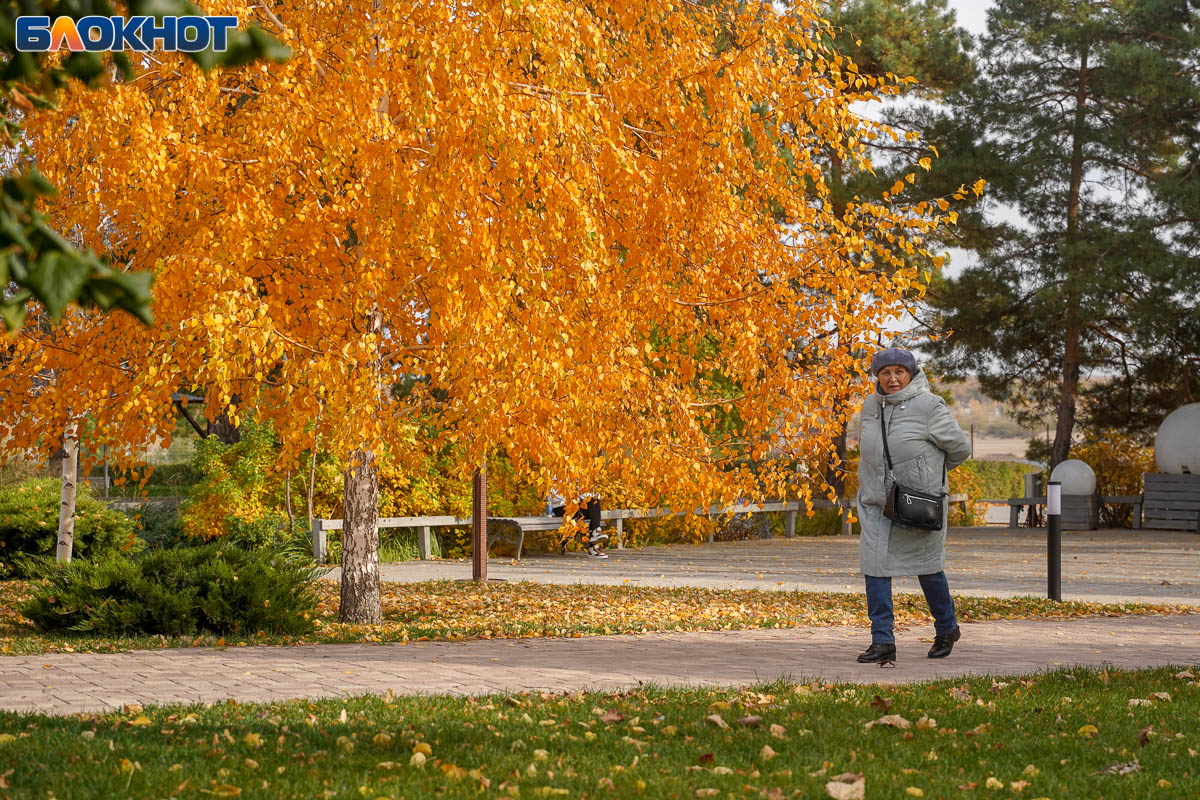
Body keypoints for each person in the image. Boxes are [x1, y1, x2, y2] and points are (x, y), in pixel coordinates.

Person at [854, 347, 972, 663]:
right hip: (877, 504)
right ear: (877, 376)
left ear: (911, 374)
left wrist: (927, 477)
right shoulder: (869, 406)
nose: (893, 379)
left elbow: (960, 449)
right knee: (874, 570)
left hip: (918, 504)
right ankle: (882, 641)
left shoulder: (929, 406)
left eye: (899, 372)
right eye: (885, 373)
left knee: (928, 570)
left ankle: (946, 628)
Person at [548, 487, 609, 558]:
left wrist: (581, 490)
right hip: (562, 508)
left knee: (594, 502)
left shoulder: (577, 476)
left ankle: (596, 532)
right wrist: (571, 491)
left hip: (576, 506)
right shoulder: (554, 476)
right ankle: (593, 545)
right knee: (594, 512)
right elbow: (553, 498)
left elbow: (587, 495)